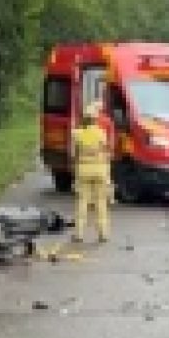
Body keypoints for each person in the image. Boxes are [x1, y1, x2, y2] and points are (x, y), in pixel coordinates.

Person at [71, 101, 112, 243]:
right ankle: (103, 234)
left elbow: (74, 154)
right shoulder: (101, 133)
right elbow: (106, 151)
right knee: (101, 202)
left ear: (84, 118)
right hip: (100, 170)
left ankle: (79, 234)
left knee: (82, 201)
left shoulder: (77, 134)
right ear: (95, 119)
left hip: (83, 170)